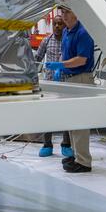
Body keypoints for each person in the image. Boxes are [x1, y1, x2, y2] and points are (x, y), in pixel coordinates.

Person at [46, 6, 96, 174]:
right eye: (62, 12)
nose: (63, 16)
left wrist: (61, 65)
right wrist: (60, 67)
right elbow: (65, 53)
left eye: (67, 12)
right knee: (72, 122)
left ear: (76, 13)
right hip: (71, 79)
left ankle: (84, 162)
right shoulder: (68, 31)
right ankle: (76, 156)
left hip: (81, 78)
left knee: (80, 123)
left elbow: (82, 60)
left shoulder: (83, 33)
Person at [37, 11, 73, 160]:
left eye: (60, 24)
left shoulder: (69, 40)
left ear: (65, 25)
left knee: (66, 115)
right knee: (48, 114)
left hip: (66, 82)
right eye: (55, 24)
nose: (57, 26)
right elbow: (37, 58)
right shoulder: (47, 40)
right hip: (50, 83)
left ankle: (66, 144)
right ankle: (47, 145)